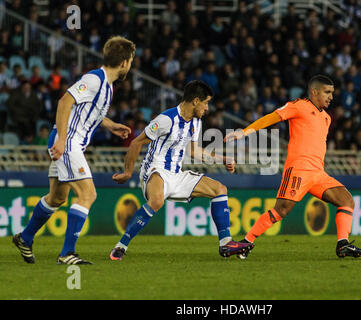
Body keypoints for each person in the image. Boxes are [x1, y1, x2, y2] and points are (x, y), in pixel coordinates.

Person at [12, 36, 136, 265]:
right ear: (124, 62)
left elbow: (89, 111)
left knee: (58, 197)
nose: (130, 65)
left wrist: (111, 125)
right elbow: (64, 102)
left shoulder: (106, 87)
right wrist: (61, 140)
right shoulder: (94, 79)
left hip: (68, 141)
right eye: (130, 61)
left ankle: (25, 237)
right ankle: (67, 253)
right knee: (88, 194)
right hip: (68, 142)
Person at [109, 80, 254, 260]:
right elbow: (136, 142)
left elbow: (194, 152)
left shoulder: (196, 123)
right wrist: (128, 172)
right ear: (195, 101)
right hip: (156, 170)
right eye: (206, 102)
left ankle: (225, 243)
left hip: (177, 174)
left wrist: (221, 160)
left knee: (220, 190)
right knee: (157, 201)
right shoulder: (166, 120)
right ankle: (121, 246)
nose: (207, 108)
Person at [225, 75, 361, 259]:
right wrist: (244, 132)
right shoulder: (298, 106)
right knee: (281, 209)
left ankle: (342, 244)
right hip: (299, 169)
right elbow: (271, 118)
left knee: (347, 201)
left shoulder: (326, 118)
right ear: (314, 92)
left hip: (318, 173)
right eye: (327, 92)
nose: (331, 96)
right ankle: (246, 242)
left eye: (332, 92)